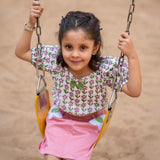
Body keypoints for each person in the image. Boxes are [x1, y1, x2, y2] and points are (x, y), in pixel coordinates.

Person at [15, 1, 141, 160]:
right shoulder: (55, 60)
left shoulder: (104, 69)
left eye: (83, 47)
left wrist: (132, 56)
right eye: (68, 46)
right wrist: (30, 24)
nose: (74, 54)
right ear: (61, 45)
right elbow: (22, 52)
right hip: (59, 119)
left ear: (95, 48)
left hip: (89, 125)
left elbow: (134, 91)